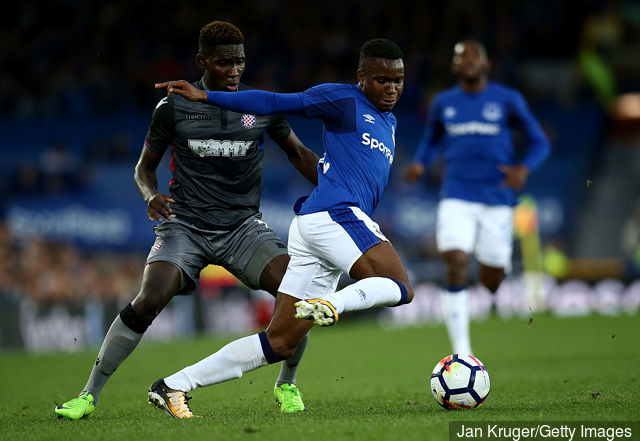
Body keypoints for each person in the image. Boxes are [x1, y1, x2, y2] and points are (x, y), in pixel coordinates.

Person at [54, 21, 320, 420]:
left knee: (296, 295)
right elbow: (144, 169)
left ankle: (287, 384)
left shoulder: (260, 105)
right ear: (202, 62)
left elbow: (299, 154)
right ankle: (87, 395)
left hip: (243, 228)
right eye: (224, 62)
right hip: (185, 226)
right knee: (148, 300)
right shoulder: (175, 106)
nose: (234, 71)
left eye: (240, 62)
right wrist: (150, 195)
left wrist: (340, 188)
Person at [146, 38, 413, 418]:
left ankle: (174, 385)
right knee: (400, 286)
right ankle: (331, 304)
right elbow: (273, 103)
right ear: (362, 78)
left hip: (314, 226)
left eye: (398, 81)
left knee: (281, 342)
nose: (391, 89)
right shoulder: (342, 99)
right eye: (383, 80)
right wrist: (207, 98)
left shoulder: (390, 119)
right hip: (335, 214)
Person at [405, 40, 550, 355]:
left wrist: (524, 169)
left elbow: (539, 142)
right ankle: (462, 353)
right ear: (455, 66)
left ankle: (495, 270)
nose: (468, 60)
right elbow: (431, 140)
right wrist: (420, 163)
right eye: (461, 56)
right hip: (456, 194)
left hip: (497, 198)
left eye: (475, 56)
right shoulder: (444, 102)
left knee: (492, 280)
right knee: (455, 260)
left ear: (486, 64)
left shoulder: (507, 99)